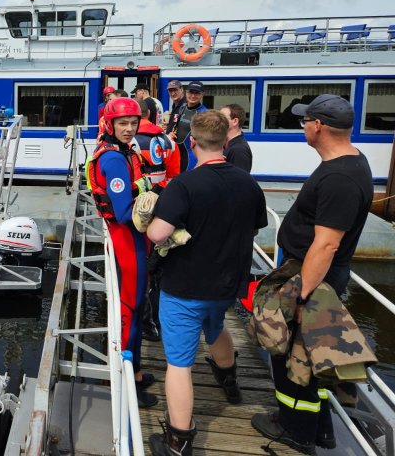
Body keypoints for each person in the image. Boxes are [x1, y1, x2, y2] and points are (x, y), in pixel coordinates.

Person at [251, 94, 373, 455]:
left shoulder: (339, 179)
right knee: (313, 355)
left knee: (292, 356)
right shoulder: (349, 163)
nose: (303, 125)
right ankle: (320, 429)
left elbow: (326, 245)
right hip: (313, 274)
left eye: (305, 120)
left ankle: (295, 429)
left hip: (311, 278)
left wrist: (301, 296)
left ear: (318, 126)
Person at [146, 110, 267, 456]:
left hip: (186, 286)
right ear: (226, 142)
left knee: (179, 364)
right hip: (228, 283)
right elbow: (254, 225)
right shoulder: (248, 183)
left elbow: (157, 234)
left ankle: (179, 440)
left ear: (193, 142)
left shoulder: (185, 185)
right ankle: (230, 383)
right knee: (216, 328)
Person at [87, 97, 157, 408]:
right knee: (130, 307)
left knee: (139, 305)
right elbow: (126, 212)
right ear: (110, 125)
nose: (129, 129)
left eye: (133, 123)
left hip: (134, 240)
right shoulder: (114, 160)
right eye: (123, 124)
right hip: (126, 239)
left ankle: (137, 370)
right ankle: (129, 383)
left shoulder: (127, 152)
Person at [134, 99, 180, 342]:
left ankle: (145, 323)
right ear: (151, 114)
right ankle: (159, 322)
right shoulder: (167, 141)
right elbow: (174, 176)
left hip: (136, 211)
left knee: (139, 267)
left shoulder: (126, 142)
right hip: (163, 209)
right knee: (158, 264)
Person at [167, 81, 207, 171]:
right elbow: (177, 127)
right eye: (191, 92)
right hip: (176, 155)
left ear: (202, 94)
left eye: (197, 93)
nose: (193, 96)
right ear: (186, 92)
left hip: (192, 157)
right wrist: (171, 134)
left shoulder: (205, 114)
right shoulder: (182, 108)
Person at [220, 104, 253, 172]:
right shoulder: (225, 143)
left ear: (235, 121)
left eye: (222, 117)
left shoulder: (239, 150)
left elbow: (240, 180)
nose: (217, 120)